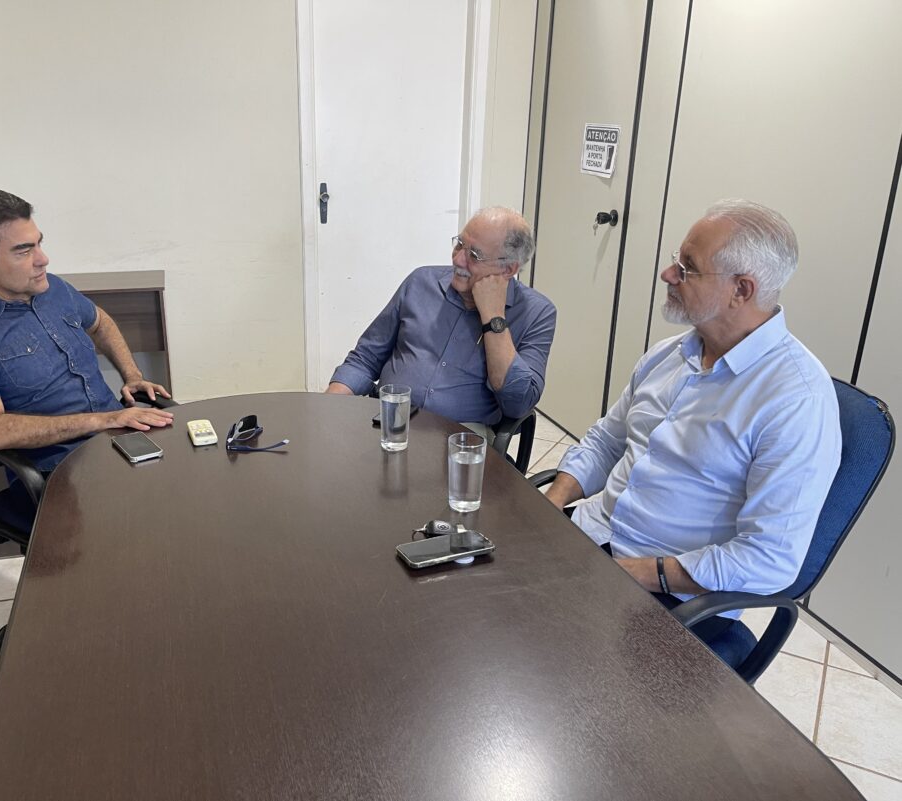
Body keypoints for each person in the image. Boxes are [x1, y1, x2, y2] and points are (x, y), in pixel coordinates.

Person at [544, 199, 841, 639]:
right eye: (674, 261)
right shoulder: (669, 355)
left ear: (741, 290)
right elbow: (607, 441)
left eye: (687, 268)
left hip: (673, 595)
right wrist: (548, 511)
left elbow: (768, 558)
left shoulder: (796, 399)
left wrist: (637, 572)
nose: (668, 275)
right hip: (593, 535)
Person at [0, 187, 174, 473]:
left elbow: (100, 322)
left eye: (38, 244)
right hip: (60, 468)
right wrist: (104, 420)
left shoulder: (52, 288)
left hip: (119, 438)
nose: (42, 259)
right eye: (24, 251)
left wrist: (132, 376)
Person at [326, 207, 556, 428]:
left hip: (460, 437)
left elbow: (518, 403)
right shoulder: (420, 282)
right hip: (389, 418)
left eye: (474, 255)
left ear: (507, 269)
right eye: (460, 245)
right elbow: (366, 358)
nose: (458, 260)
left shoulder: (537, 313)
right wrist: (328, 405)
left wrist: (494, 317)